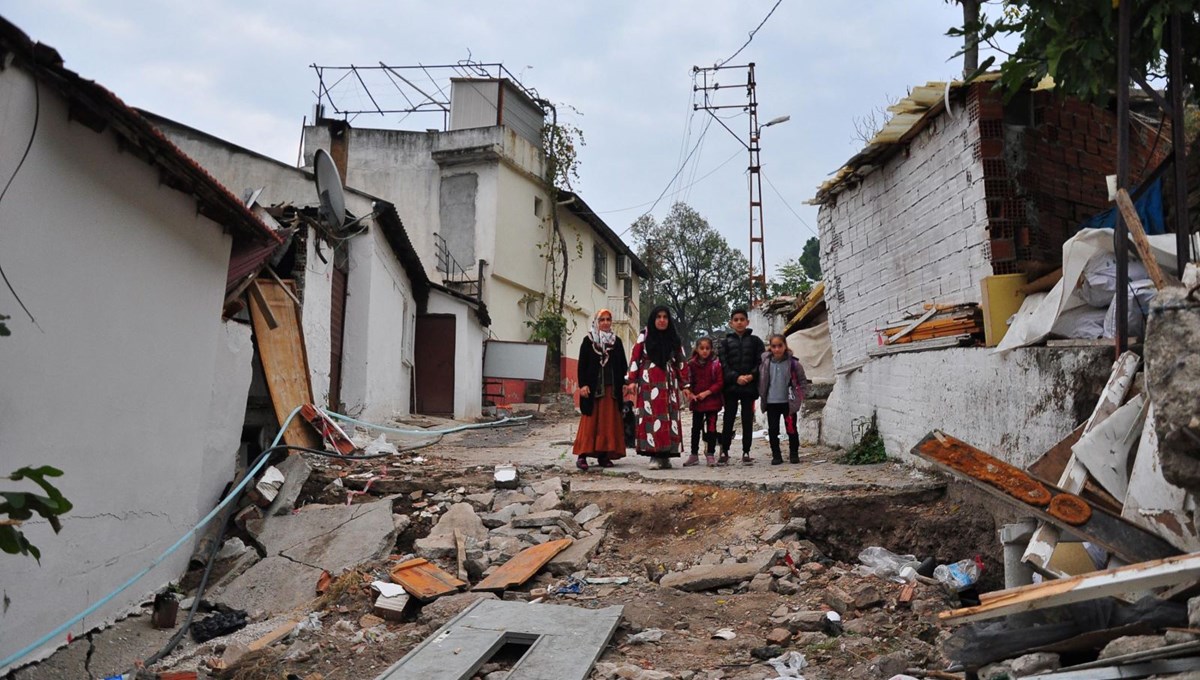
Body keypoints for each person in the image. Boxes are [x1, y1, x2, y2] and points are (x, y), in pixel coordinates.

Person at [623, 305, 685, 469]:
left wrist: (685, 384)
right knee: (652, 417)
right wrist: (632, 381)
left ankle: (666, 456)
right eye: (659, 317)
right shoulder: (644, 336)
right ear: (653, 319)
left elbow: (680, 361)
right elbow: (635, 358)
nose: (662, 320)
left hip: (669, 383)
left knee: (668, 418)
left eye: (665, 317)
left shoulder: (674, 337)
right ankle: (654, 457)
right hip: (649, 382)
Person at [572, 309, 628, 471]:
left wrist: (624, 383)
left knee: (608, 422)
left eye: (608, 319)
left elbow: (622, 365)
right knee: (590, 422)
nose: (605, 323)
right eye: (602, 320)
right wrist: (583, 385)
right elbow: (582, 364)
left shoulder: (616, 342)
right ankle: (582, 455)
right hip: (593, 389)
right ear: (596, 322)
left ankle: (604, 455)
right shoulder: (588, 341)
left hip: (611, 389)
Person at [718, 308, 766, 466]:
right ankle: (724, 450)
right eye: (736, 320)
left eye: (742, 319)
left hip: (749, 387)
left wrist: (751, 376)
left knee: (747, 420)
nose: (739, 322)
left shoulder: (755, 342)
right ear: (731, 323)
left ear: (747, 322)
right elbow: (723, 364)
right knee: (728, 419)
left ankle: (746, 451)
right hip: (731, 387)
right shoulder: (724, 343)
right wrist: (735, 377)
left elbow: (761, 362)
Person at [758, 334, 806, 465]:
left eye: (780, 346)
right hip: (771, 402)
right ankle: (776, 455)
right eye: (774, 346)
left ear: (785, 346)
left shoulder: (793, 364)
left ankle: (794, 453)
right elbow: (760, 380)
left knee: (791, 429)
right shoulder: (765, 363)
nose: (777, 349)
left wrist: (799, 396)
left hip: (788, 403)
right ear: (770, 347)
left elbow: (802, 381)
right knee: (773, 430)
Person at [682, 336, 723, 467]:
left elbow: (719, 382)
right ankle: (694, 455)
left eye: (707, 348)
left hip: (712, 401)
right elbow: (687, 381)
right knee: (696, 429)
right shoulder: (691, 364)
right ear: (697, 349)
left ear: (711, 350)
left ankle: (710, 454)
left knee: (711, 428)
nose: (704, 351)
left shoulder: (715, 364)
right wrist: (690, 393)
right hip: (697, 402)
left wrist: (707, 393)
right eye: (702, 348)